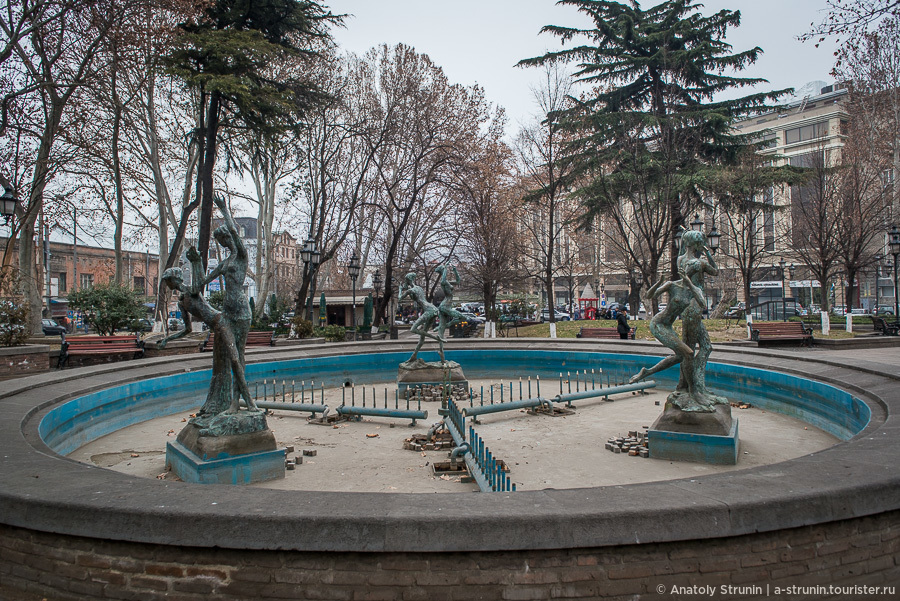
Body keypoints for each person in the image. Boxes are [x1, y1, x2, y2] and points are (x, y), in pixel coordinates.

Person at [399, 272, 445, 362]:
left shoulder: (411, 290)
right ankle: (414, 356)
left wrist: (400, 289)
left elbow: (400, 298)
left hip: (429, 310)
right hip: (433, 309)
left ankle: (436, 338)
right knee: (421, 338)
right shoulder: (419, 288)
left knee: (413, 329)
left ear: (408, 281)